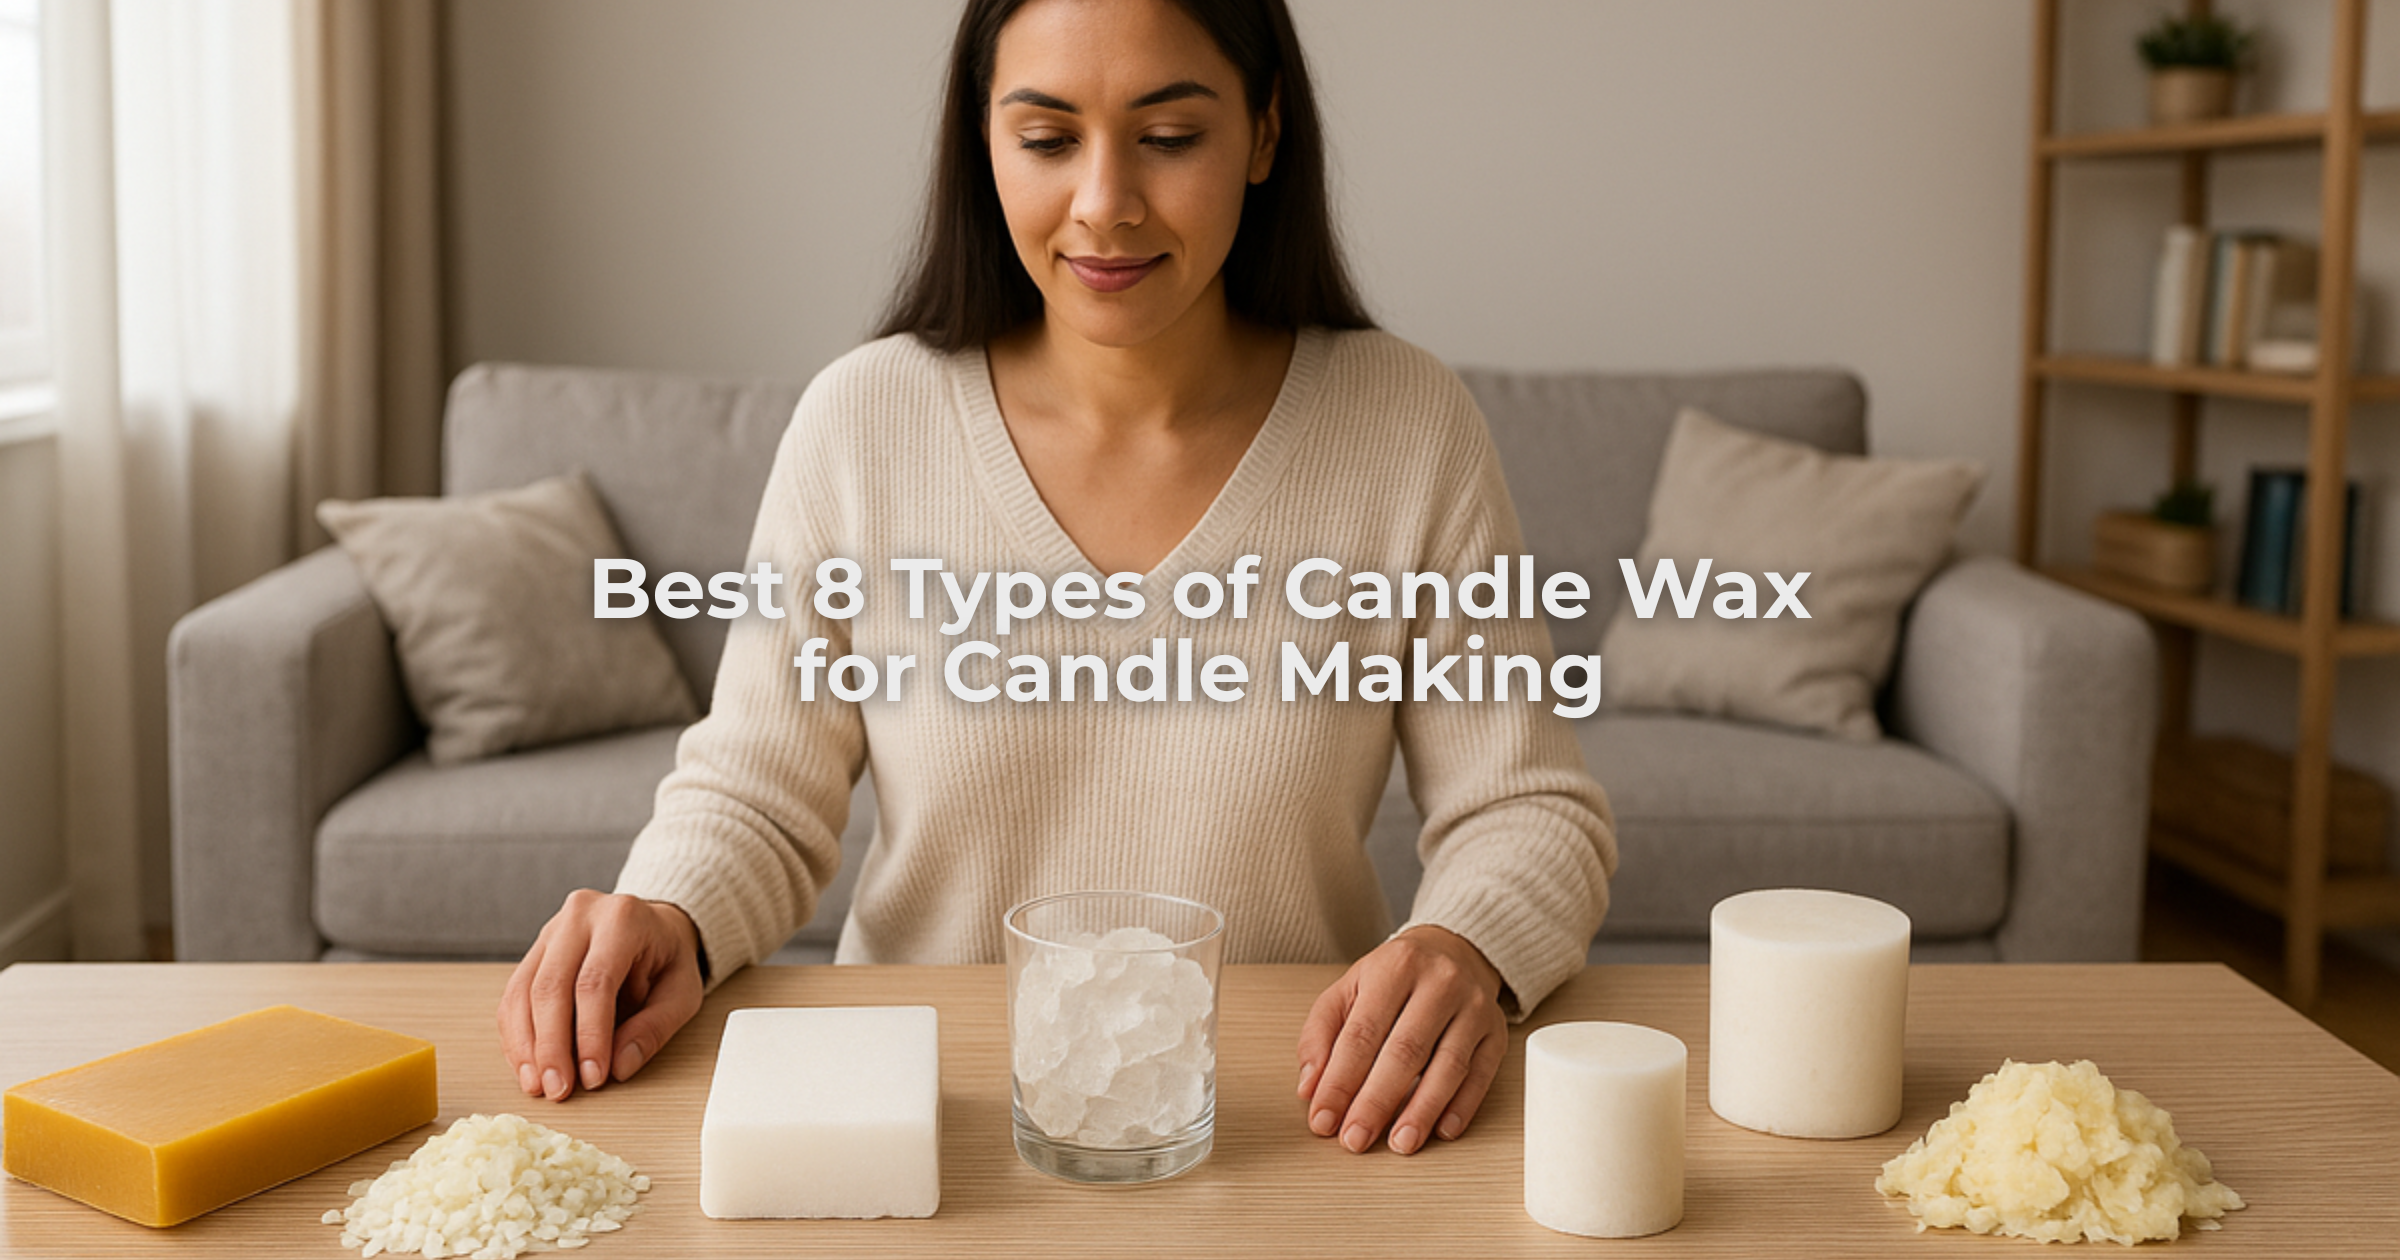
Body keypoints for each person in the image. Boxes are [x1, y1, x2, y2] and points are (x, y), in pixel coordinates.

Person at [498, 0, 1616, 1160]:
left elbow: (1527, 810)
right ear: (983, 145)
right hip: (923, 1121)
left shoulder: (1406, 424)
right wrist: (668, 910)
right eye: (1045, 139)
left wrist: (1466, 948)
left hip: (1290, 1124)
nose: (1103, 203)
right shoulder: (862, 421)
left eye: (1170, 138)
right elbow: (755, 794)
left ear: (1266, 134)